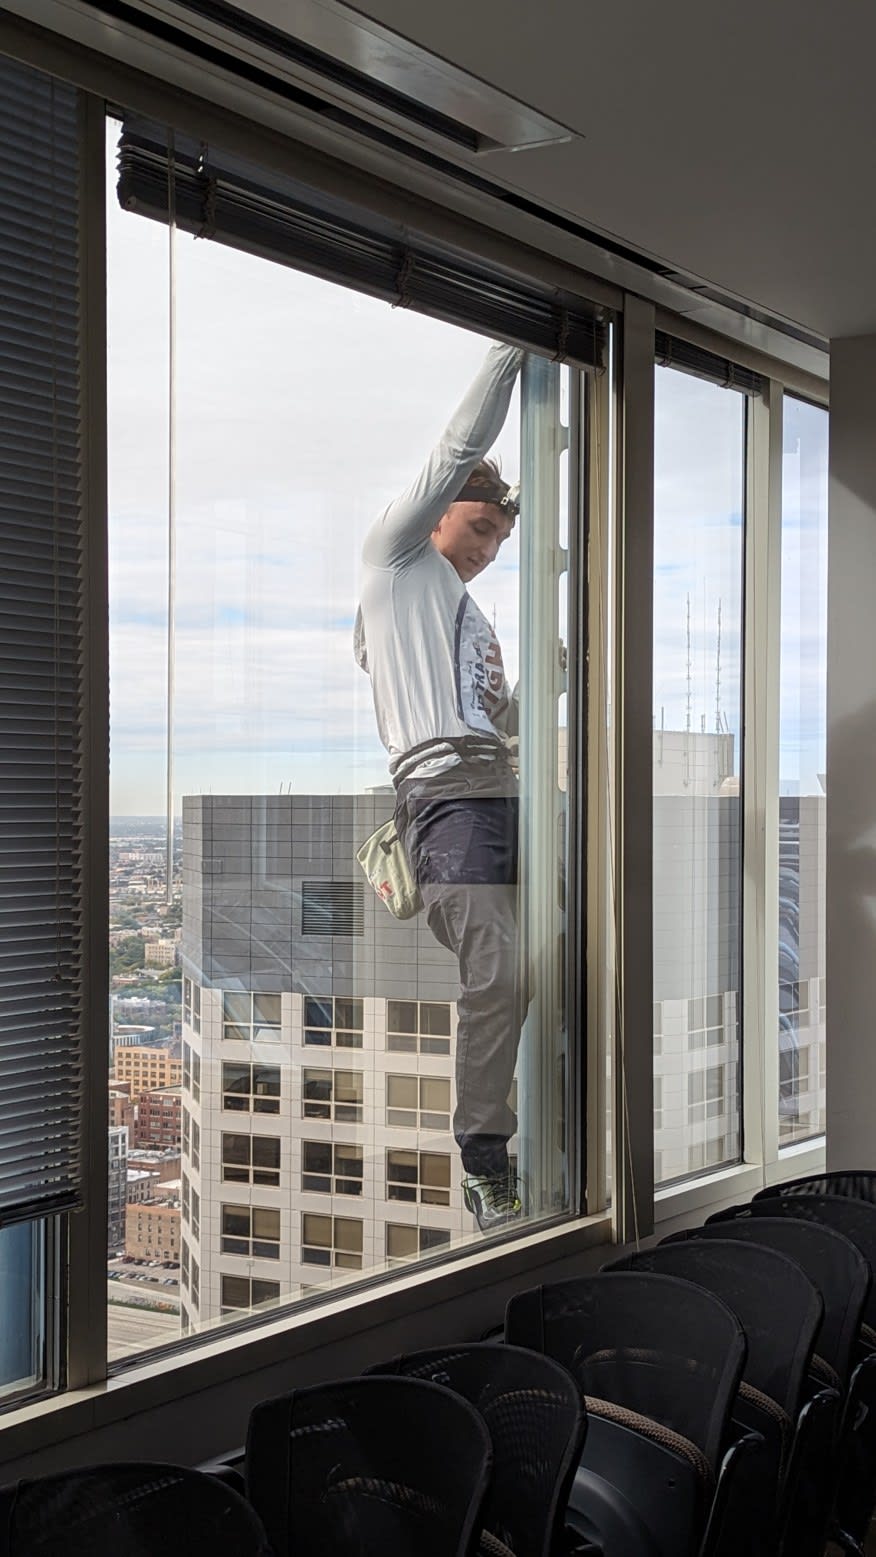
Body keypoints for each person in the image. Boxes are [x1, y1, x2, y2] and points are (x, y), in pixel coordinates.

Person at [354, 339, 525, 1232]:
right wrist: (519, 345)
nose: (490, 550)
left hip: (506, 788)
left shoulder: (474, 619)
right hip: (446, 797)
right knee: (495, 961)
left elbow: (507, 718)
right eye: (482, 528)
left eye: (502, 539)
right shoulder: (397, 561)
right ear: (437, 515)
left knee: (556, 954)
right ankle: (486, 1154)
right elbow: (458, 447)